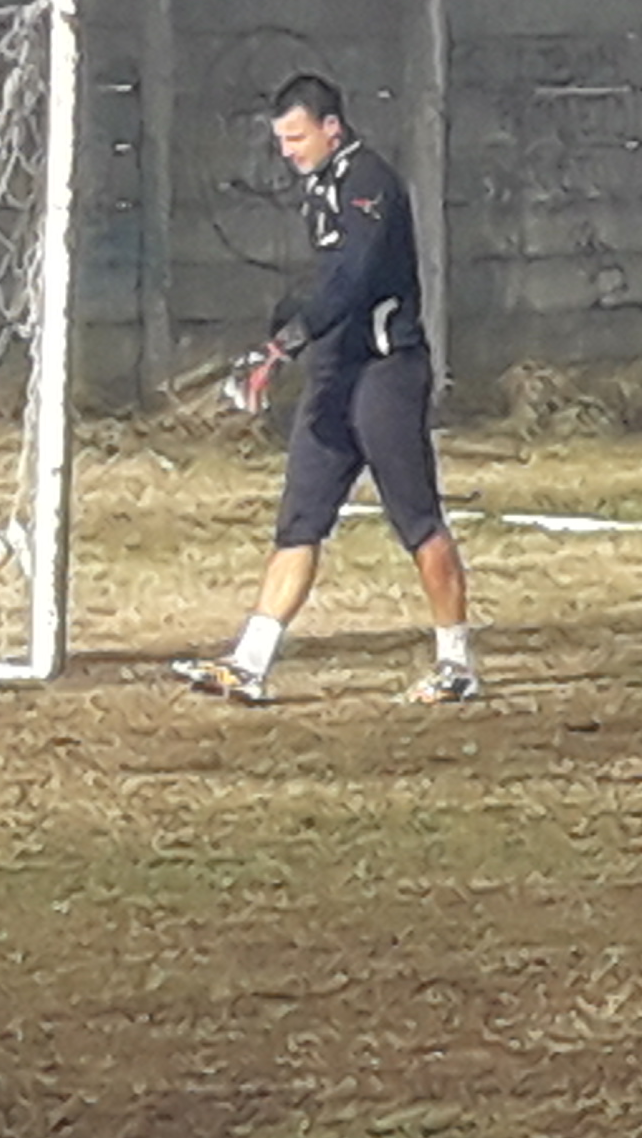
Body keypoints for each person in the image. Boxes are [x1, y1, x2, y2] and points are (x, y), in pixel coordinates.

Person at [172, 74, 483, 706]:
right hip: (333, 373)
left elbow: (353, 278)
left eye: (296, 137)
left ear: (331, 128)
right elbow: (319, 282)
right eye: (281, 140)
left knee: (416, 517)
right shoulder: (319, 189)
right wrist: (276, 334)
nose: (287, 151)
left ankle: (456, 664)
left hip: (385, 372)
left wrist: (289, 340)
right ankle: (250, 664)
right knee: (301, 518)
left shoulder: (368, 182)